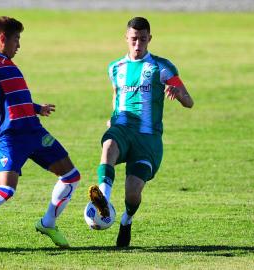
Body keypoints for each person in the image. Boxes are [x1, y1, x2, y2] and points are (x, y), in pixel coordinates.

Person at [0, 16, 80, 256]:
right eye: (16, 39)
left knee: (71, 176)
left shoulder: (6, 61)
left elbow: (15, 97)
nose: (19, 45)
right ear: (2, 38)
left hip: (34, 130)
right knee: (6, 190)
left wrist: (37, 108)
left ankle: (48, 223)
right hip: (10, 137)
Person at [88, 17, 194, 247]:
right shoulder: (115, 68)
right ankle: (103, 197)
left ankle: (126, 220)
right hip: (123, 128)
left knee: (133, 192)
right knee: (108, 146)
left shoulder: (162, 67)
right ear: (126, 38)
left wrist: (179, 92)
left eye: (143, 39)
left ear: (150, 39)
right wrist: (113, 119)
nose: (138, 45)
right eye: (134, 39)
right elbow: (117, 97)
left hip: (148, 139)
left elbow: (189, 101)